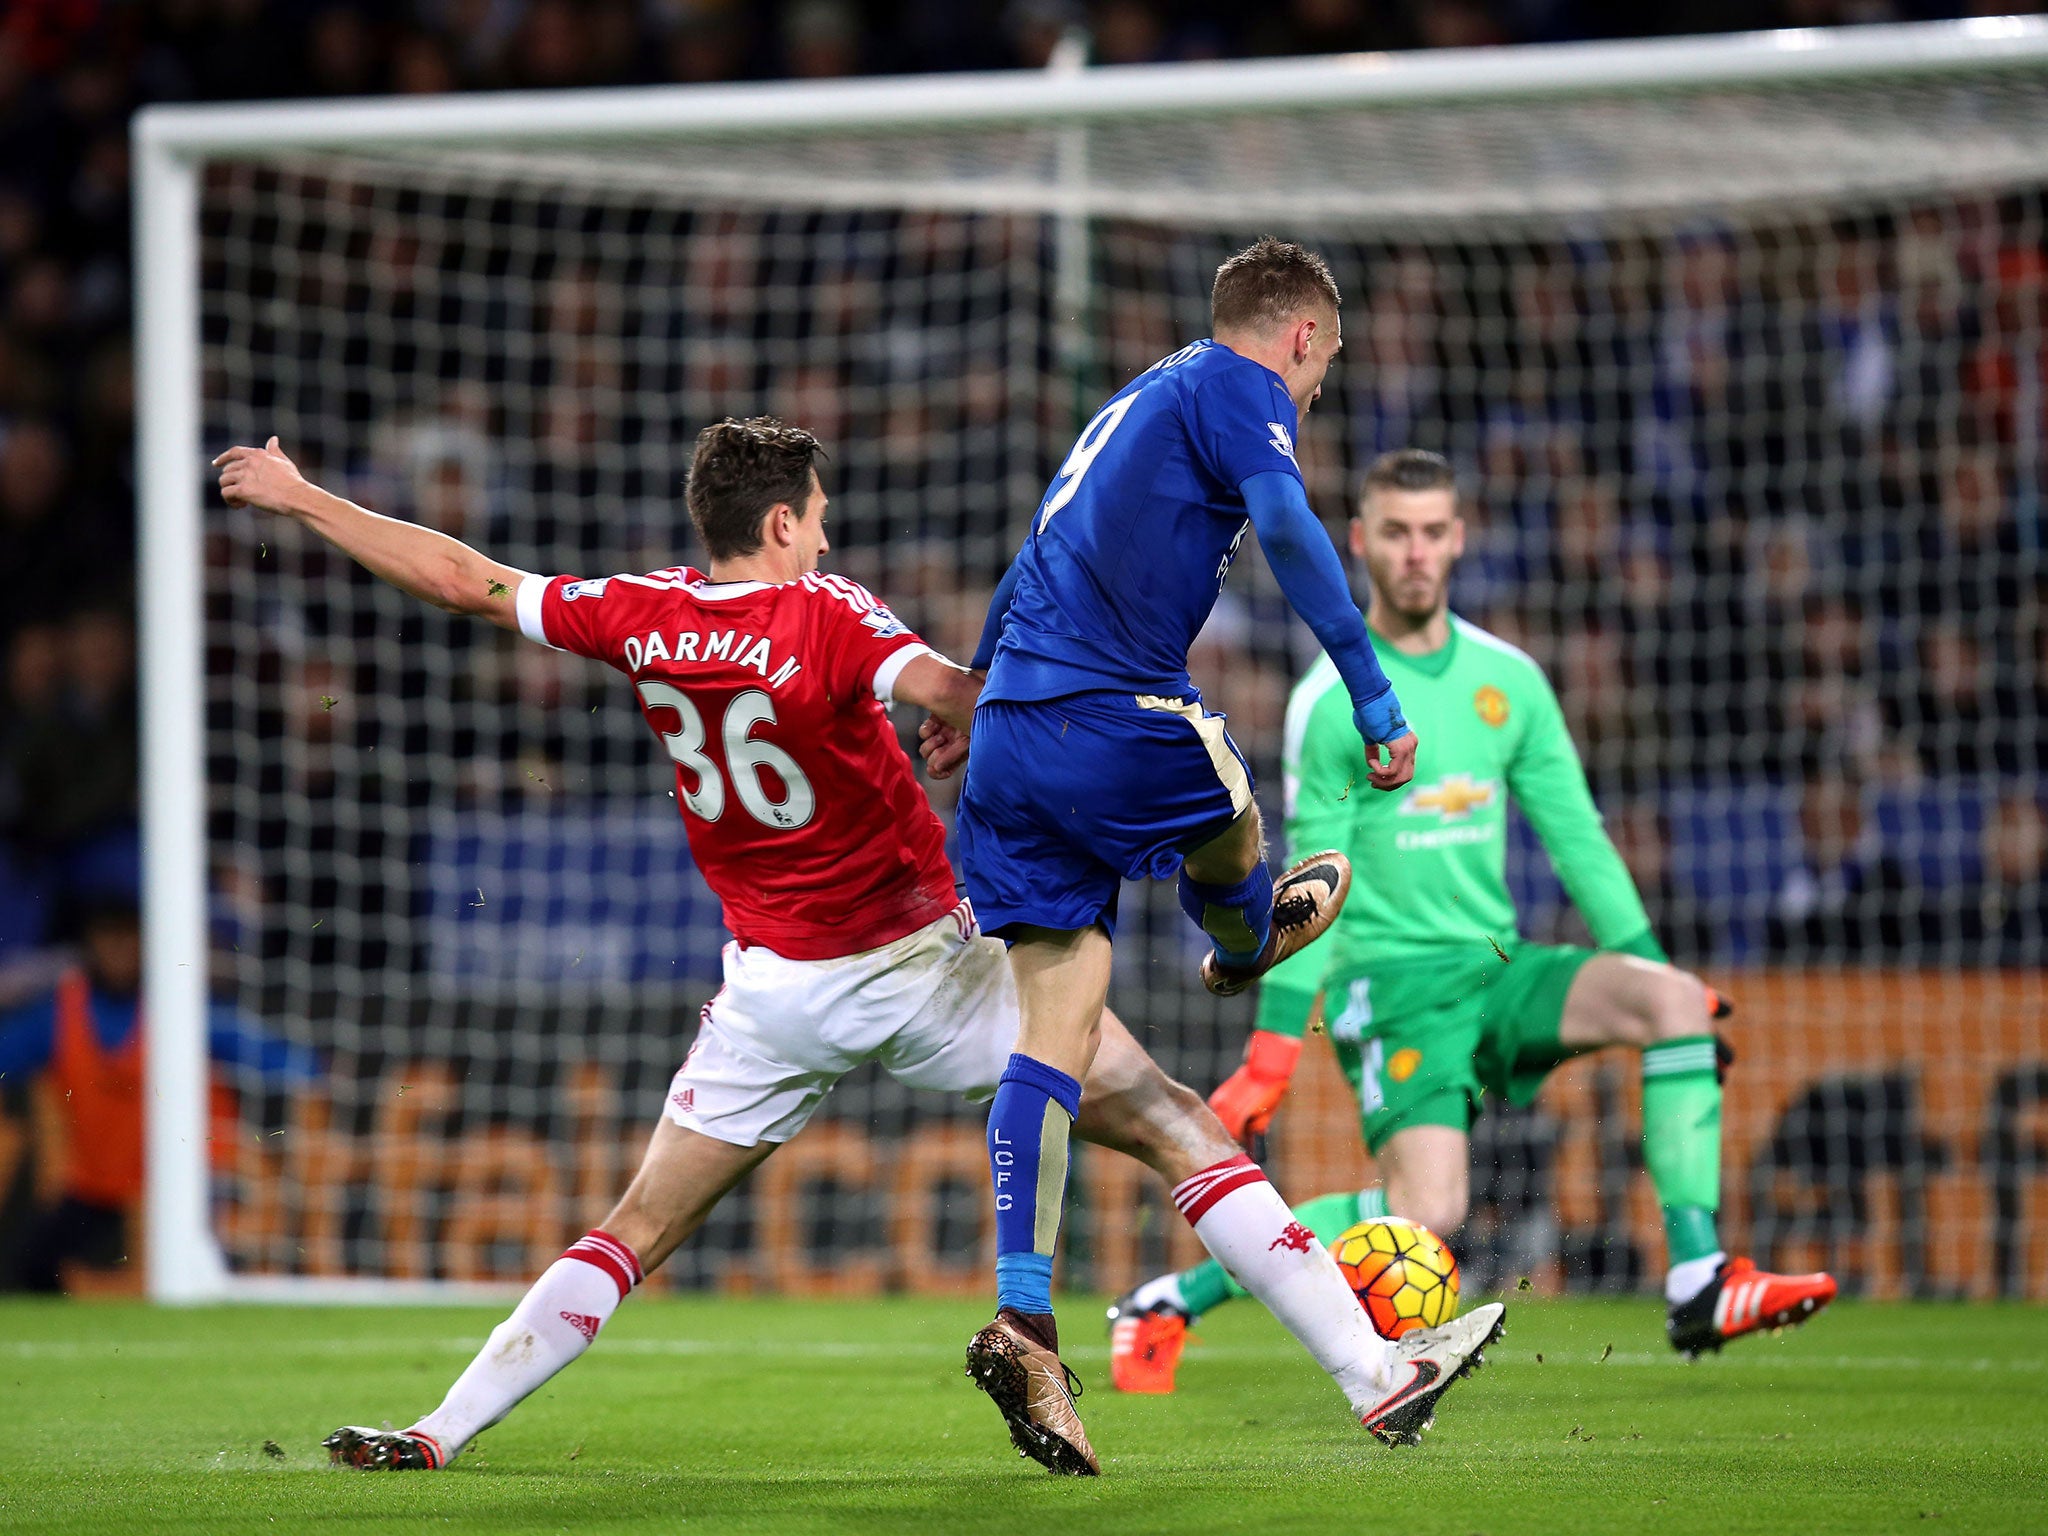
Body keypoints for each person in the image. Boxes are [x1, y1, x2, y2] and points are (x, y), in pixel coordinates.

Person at [213, 417, 1496, 1478]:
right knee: (1174, 1125)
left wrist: (304, 493)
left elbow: (466, 577)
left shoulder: (636, 614)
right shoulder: (827, 615)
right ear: (781, 524)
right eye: (816, 514)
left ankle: (439, 1431)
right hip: (928, 969)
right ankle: (1373, 1373)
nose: (825, 531)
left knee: (632, 1227)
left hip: (772, 995)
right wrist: (976, 729)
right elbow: (967, 692)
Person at [1108, 449, 1835, 1392]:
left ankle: (1699, 1276)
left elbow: (1578, 841)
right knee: (1428, 1216)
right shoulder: (1332, 703)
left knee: (1673, 1007)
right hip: (1396, 985)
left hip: (1498, 964)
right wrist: (1272, 1052)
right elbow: (1303, 891)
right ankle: (1173, 1299)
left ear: (1459, 539)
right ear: (1363, 545)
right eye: (1397, 534)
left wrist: (1658, 965)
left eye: (1434, 532)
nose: (1416, 553)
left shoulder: (1511, 681)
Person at [951, 239, 1500, 1469]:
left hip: (1007, 738)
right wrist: (1372, 691)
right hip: (1103, 710)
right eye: (1323, 371)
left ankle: (1024, 1310)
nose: (1310, 397)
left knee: (1058, 1042)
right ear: (1300, 338)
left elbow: (1041, 545)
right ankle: (1249, 933)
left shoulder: (1135, 396)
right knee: (1224, 782)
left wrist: (972, 694)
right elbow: (1292, 526)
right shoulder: (1234, 386)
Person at [0, 898, 316, 1290]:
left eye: (128, 937)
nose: (118, 950)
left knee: (210, 1262)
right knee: (34, 1265)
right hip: (99, 1181)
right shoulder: (61, 1011)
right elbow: (9, 1052)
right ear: (89, 944)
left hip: (182, 1179)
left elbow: (264, 1052)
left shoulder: (178, 1005)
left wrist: (310, 1068)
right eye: (108, 937)